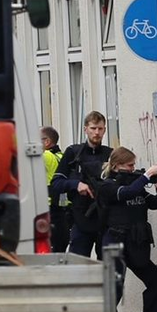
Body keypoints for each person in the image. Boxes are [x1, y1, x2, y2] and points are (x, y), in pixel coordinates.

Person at [95, 146, 157, 312]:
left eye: (133, 165)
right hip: (114, 241)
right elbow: (127, 192)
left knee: (156, 281)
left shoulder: (136, 183)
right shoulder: (107, 186)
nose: (132, 169)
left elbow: (153, 203)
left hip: (135, 242)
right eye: (129, 165)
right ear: (116, 166)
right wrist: (146, 176)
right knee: (114, 288)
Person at [50, 111, 110, 258]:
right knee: (77, 264)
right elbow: (56, 183)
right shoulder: (73, 153)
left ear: (104, 130)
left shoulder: (109, 154)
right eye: (93, 128)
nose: (97, 132)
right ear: (85, 129)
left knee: (109, 267)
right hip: (80, 217)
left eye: (100, 129)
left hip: (105, 219)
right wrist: (76, 185)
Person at [40, 126, 71, 253]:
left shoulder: (45, 156)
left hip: (48, 207)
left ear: (47, 142)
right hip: (62, 207)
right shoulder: (61, 156)